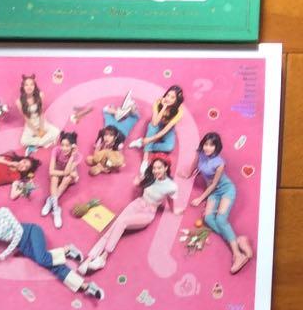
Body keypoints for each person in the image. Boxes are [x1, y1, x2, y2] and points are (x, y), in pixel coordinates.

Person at [0, 201, 103, 300]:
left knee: (42, 259)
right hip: (22, 246)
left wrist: (4, 254)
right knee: (52, 266)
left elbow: (18, 231)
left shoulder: (3, 211)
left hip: (30, 232)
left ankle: (67, 250)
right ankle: (86, 286)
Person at [79, 156, 182, 276]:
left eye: (159, 168)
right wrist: (138, 180)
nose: (156, 171)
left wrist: (174, 210)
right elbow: (139, 183)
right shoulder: (150, 176)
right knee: (115, 225)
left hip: (148, 213)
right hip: (137, 203)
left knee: (122, 222)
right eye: (154, 168)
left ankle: (103, 258)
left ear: (166, 168)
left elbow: (170, 199)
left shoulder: (171, 186)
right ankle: (89, 259)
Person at [188, 132, 253, 273]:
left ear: (217, 147)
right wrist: (188, 174)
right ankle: (238, 240)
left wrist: (200, 198)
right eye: (206, 144)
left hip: (225, 190)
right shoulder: (200, 153)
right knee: (208, 219)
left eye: (212, 145)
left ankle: (238, 255)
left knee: (221, 219)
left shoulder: (220, 163)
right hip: (214, 193)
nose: (208, 148)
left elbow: (213, 184)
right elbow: (195, 164)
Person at [130, 85, 184, 174]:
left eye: (172, 97)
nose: (168, 99)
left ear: (177, 100)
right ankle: (145, 159)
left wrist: (149, 140)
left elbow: (165, 130)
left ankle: (142, 142)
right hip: (157, 122)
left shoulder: (179, 111)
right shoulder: (158, 102)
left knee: (169, 147)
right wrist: (164, 107)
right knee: (152, 127)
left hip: (168, 127)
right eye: (168, 95)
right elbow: (155, 122)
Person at [44, 131, 79, 228]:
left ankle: (50, 200)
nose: (64, 148)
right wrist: (70, 173)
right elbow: (51, 171)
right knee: (54, 177)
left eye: (67, 145)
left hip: (68, 175)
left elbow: (67, 172)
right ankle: (56, 209)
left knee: (68, 178)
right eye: (62, 145)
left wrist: (72, 156)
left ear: (73, 146)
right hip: (59, 172)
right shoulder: (56, 150)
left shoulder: (78, 156)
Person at [17, 76, 60, 151]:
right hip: (30, 125)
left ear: (34, 86)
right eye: (26, 85)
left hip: (41, 122)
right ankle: (46, 142)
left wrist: (41, 129)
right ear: (23, 87)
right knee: (23, 141)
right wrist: (36, 132)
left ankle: (39, 143)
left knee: (56, 131)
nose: (29, 87)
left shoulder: (40, 95)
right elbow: (26, 119)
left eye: (31, 84)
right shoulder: (19, 101)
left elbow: (41, 113)